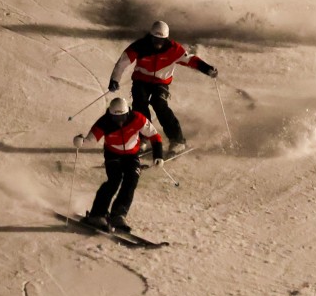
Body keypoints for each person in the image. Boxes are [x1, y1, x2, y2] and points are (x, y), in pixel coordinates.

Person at [108, 21, 216, 152]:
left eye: (161, 40)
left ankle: (177, 140)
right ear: (151, 36)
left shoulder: (174, 49)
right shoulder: (140, 46)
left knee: (159, 104)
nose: (157, 43)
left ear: (166, 39)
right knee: (140, 103)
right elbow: (122, 62)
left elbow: (190, 60)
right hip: (141, 80)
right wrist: (114, 80)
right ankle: (143, 138)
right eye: (155, 39)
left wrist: (207, 69)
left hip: (161, 82)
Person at [74, 97, 163, 232]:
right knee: (114, 180)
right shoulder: (104, 122)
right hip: (113, 155)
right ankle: (97, 214)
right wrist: (81, 141)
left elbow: (154, 135)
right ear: (110, 115)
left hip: (132, 155)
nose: (120, 122)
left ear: (128, 113)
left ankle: (118, 214)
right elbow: (91, 140)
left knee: (131, 180)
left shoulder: (137, 118)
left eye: (122, 117)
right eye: (116, 118)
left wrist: (158, 155)